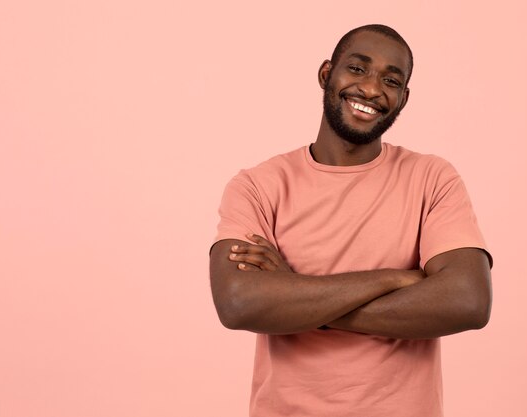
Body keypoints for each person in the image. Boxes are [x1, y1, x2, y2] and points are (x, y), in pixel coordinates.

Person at [210, 24, 492, 417]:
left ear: (404, 98)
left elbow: (468, 301)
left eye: (391, 80)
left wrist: (294, 294)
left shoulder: (432, 178)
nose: (373, 89)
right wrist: (394, 278)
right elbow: (238, 304)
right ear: (327, 74)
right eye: (358, 69)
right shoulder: (258, 186)